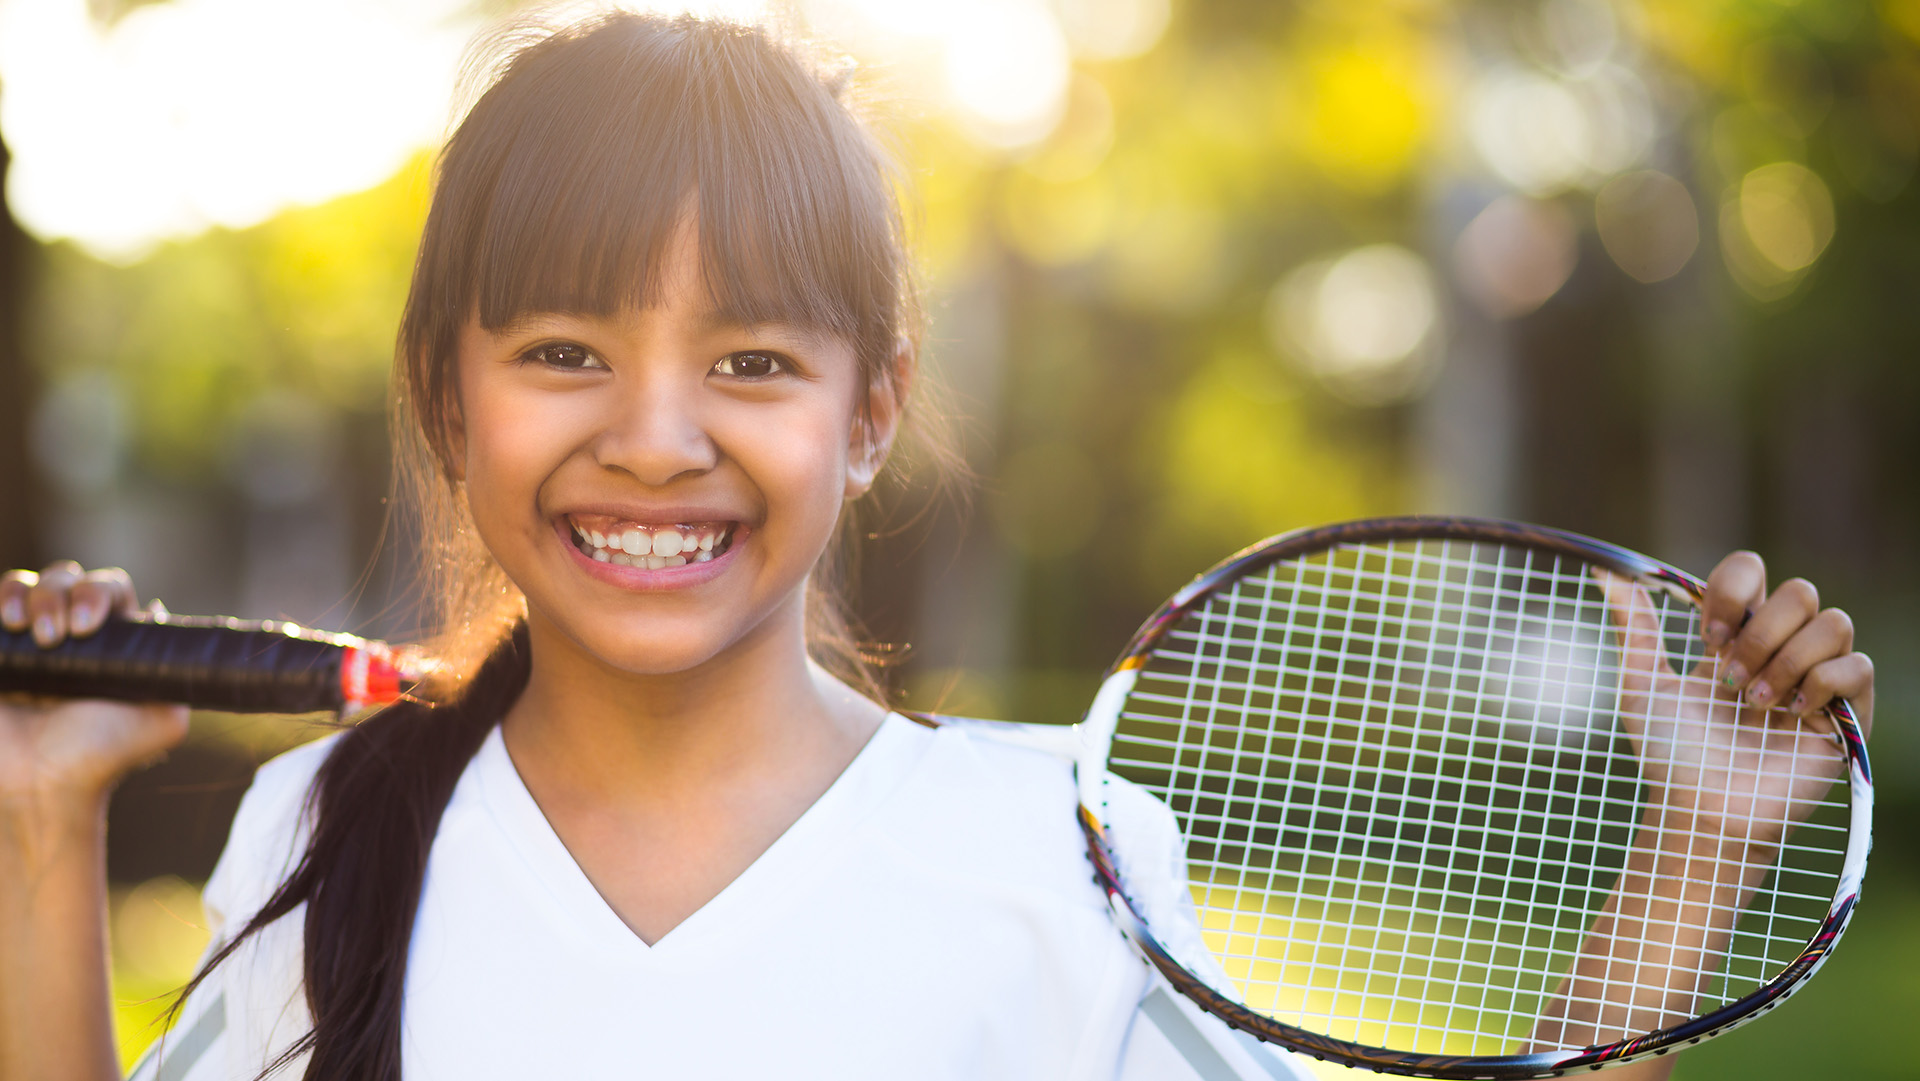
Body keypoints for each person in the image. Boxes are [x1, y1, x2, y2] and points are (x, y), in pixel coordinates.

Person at [0, 11, 1876, 1081]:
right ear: (445, 389)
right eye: (564, 351)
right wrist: (41, 817)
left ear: (873, 409)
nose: (654, 437)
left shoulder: (1065, 855)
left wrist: (1696, 845)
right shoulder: (325, 825)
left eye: (750, 361)